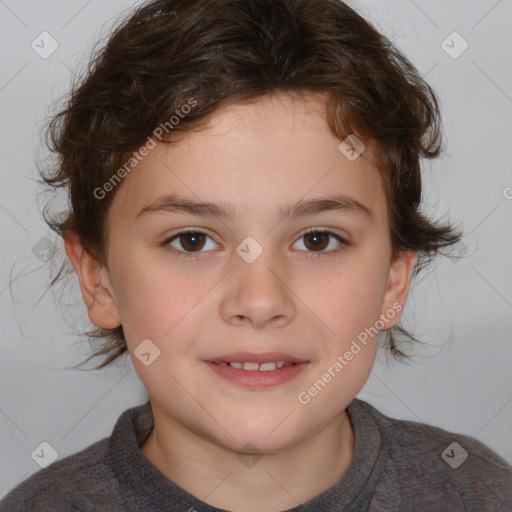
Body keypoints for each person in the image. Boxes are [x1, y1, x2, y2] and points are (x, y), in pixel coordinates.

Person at [1, 0, 511, 510]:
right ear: (98, 279)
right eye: (192, 240)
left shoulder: (480, 494)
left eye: (317, 240)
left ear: (395, 280)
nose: (261, 301)